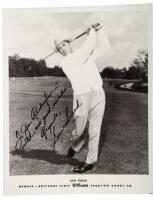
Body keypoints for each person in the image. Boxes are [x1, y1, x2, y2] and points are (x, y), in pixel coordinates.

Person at [54, 23, 108, 173]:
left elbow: (104, 47)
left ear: (69, 43)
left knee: (94, 130)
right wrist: (91, 32)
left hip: (98, 93)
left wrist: (99, 31)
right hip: (81, 97)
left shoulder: (85, 52)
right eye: (59, 48)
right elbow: (86, 49)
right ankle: (75, 146)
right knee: (79, 130)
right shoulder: (67, 62)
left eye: (63, 45)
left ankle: (90, 161)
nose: (62, 49)